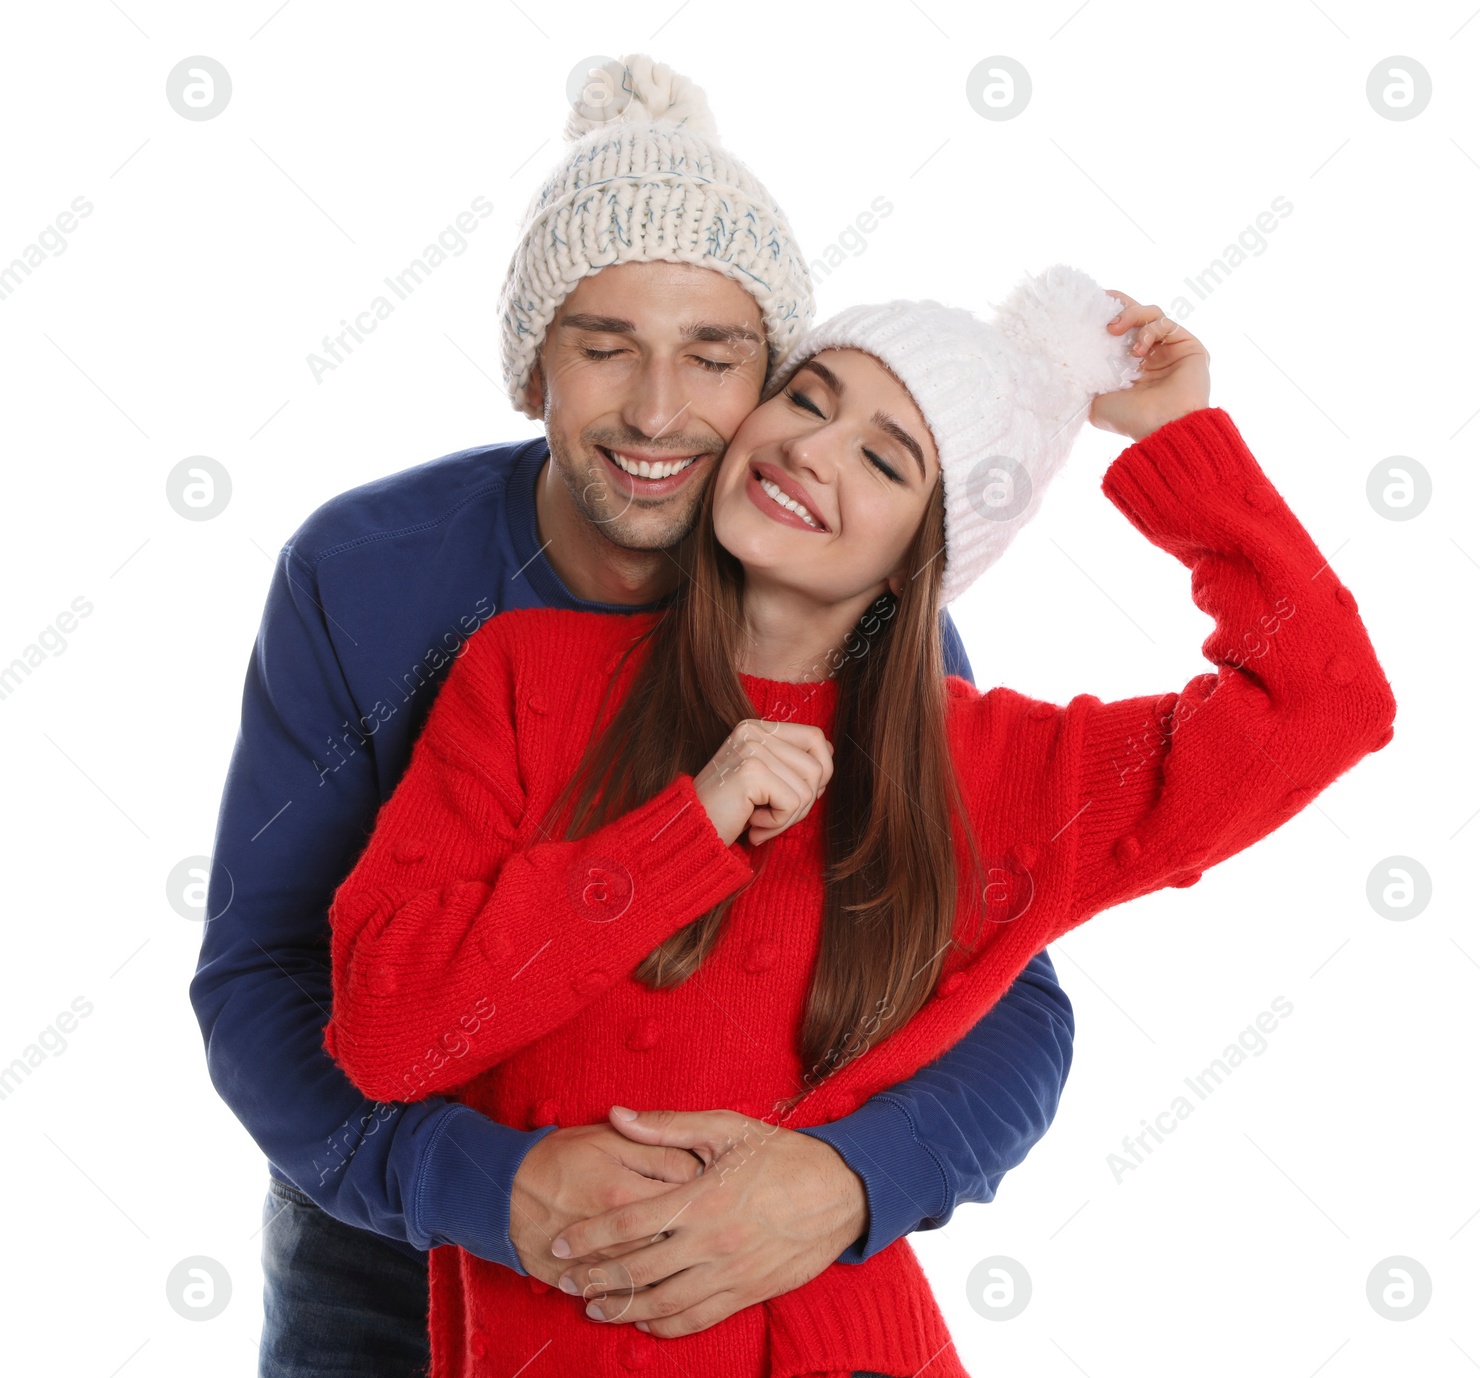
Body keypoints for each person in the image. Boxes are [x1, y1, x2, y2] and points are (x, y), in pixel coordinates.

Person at [320, 257, 1399, 1378]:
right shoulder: (523, 671)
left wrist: (1177, 438)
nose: (808, 450)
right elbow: (385, 1031)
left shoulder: (992, 768)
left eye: (883, 460)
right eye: (805, 399)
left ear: (917, 559)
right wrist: (687, 828)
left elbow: (1326, 702)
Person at [189, 54, 1076, 1378]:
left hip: (745, 1251)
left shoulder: (862, 614)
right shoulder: (365, 573)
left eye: (714, 358)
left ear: (775, 382)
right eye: (604, 348)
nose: (658, 412)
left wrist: (844, 1183)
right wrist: (485, 1185)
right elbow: (262, 974)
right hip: (388, 1239)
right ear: (532, 366)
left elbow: (1012, 998)